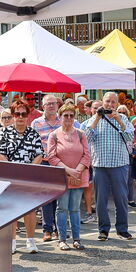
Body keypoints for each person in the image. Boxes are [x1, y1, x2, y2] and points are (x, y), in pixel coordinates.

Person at [0, 100, 44, 252]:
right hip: (10, 176)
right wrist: (13, 169)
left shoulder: (33, 133)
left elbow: (39, 154)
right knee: (11, 209)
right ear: (13, 115)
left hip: (29, 177)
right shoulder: (5, 132)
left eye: (23, 114)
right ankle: (12, 240)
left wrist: (29, 170)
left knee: (30, 209)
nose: (20, 117)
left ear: (28, 116)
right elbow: (0, 153)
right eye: (17, 114)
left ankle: (30, 240)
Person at [85, 92, 134, 242]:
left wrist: (119, 120)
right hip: (100, 165)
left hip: (119, 164)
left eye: (114, 102)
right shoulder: (94, 119)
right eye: (107, 101)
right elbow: (86, 138)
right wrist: (97, 118)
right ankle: (103, 230)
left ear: (117, 104)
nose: (110, 105)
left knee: (121, 199)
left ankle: (122, 229)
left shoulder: (124, 118)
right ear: (102, 102)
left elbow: (129, 138)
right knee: (101, 200)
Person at [32, 94, 79, 243]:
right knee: (46, 197)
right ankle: (47, 230)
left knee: (61, 197)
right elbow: (34, 144)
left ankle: (61, 230)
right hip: (45, 162)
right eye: (48, 104)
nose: (51, 106)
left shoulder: (66, 120)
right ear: (43, 106)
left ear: (58, 105)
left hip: (62, 164)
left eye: (54, 103)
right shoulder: (36, 123)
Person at [47, 103, 91, 250]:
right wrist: (68, 171)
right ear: (60, 117)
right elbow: (51, 157)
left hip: (78, 177)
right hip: (62, 177)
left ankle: (77, 239)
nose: (69, 118)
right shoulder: (53, 135)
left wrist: (76, 171)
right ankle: (62, 239)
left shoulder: (81, 134)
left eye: (72, 115)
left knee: (75, 209)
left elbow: (87, 155)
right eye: (66, 115)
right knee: (62, 208)